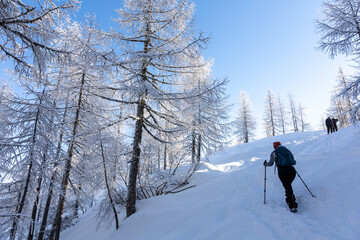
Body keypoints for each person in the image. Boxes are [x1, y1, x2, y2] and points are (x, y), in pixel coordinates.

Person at [263, 141, 298, 212]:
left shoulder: (274, 152)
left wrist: (265, 164)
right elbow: (294, 162)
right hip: (292, 170)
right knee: (288, 185)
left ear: (274, 146)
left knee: (287, 186)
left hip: (282, 171)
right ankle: (291, 200)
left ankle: (292, 204)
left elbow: (271, 163)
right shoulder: (287, 150)